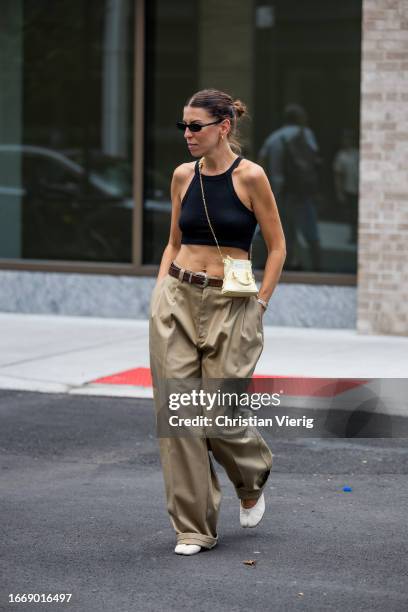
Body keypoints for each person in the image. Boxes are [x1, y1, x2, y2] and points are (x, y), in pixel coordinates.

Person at [149, 88, 286, 556]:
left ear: (222, 127)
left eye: (195, 126)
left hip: (233, 303)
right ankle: (193, 528)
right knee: (179, 415)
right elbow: (173, 240)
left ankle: (252, 476)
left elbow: (278, 246)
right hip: (177, 297)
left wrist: (261, 304)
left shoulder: (251, 177)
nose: (186, 135)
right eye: (182, 126)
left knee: (218, 412)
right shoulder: (182, 176)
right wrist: (159, 292)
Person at [258, 103, 321, 271]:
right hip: (301, 191)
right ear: (300, 119)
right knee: (310, 229)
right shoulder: (306, 134)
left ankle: (286, 266)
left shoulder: (274, 137)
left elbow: (262, 161)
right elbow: (314, 160)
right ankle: (317, 267)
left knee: (283, 230)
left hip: (279, 192)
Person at [333, 128, 359, 244]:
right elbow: (338, 175)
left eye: (349, 138)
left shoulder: (357, 153)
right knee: (352, 214)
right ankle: (353, 235)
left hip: (360, 188)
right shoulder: (341, 156)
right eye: (345, 139)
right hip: (349, 189)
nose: (347, 141)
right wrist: (339, 192)